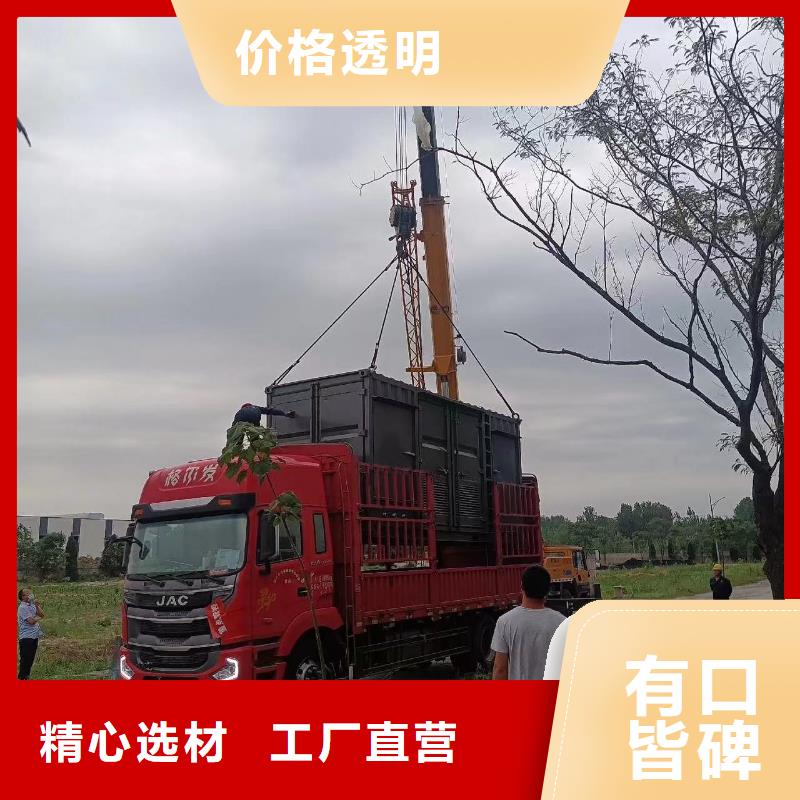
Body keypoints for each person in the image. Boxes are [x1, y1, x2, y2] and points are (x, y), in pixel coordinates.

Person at [491, 565, 565, 680]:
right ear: (547, 590)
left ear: (522, 587)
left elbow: (500, 669)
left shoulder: (505, 622)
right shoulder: (562, 622)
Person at [18, 588, 44, 679]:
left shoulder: (32, 605)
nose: (30, 594)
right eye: (27, 593)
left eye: (30, 592)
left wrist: (37, 606)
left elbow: (42, 614)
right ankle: (22, 678)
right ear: (23, 597)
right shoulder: (22, 607)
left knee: (30, 661)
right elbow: (31, 621)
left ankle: (26, 677)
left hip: (34, 636)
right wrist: (38, 618)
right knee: (25, 661)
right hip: (26, 638)